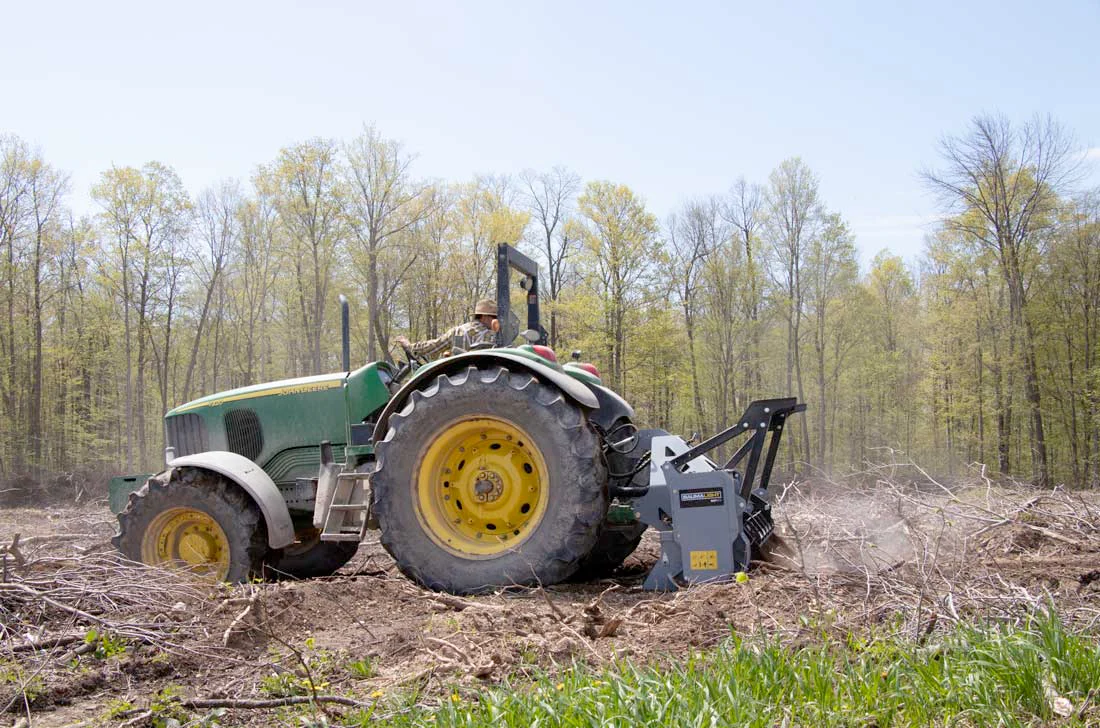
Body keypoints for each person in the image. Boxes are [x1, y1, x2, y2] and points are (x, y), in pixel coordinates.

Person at [394, 299, 499, 361]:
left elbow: (433, 346)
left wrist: (410, 346)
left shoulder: (458, 331)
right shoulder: (494, 336)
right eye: (494, 317)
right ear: (484, 317)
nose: (496, 320)